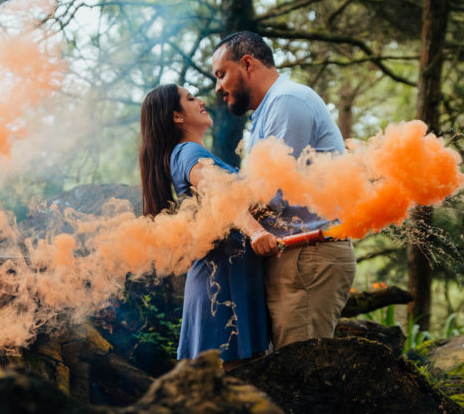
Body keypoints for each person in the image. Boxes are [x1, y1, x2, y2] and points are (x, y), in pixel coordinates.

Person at [211, 31, 357, 349]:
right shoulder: (270, 109)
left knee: (300, 373)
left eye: (221, 74)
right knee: (290, 369)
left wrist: (221, 209)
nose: (218, 87)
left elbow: (269, 194)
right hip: (296, 257)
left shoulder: (287, 102)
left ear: (247, 63)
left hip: (308, 257)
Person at [139, 83, 278, 370]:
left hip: (228, 277)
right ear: (177, 116)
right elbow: (218, 192)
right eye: (190, 98)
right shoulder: (188, 151)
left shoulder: (188, 153)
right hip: (221, 282)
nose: (201, 100)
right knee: (231, 386)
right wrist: (257, 231)